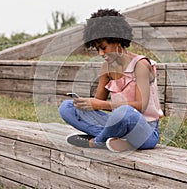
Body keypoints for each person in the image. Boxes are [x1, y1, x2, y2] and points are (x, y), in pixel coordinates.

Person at [59, 8, 163, 152]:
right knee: (67, 107)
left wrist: (100, 104)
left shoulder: (140, 65)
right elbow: (99, 104)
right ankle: (116, 141)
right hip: (119, 124)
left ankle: (97, 141)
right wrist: (86, 103)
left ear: (117, 40)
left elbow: (140, 106)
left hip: (145, 130)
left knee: (125, 112)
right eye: (97, 49)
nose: (100, 53)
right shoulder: (106, 68)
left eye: (103, 47)